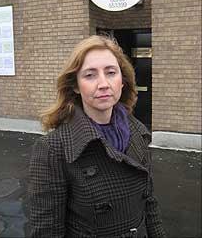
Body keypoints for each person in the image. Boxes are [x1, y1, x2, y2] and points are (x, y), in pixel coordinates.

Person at [28, 35, 166, 238]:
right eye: (90, 75)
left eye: (111, 73)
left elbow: (150, 204)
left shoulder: (139, 134)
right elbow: (47, 231)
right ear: (75, 85)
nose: (103, 84)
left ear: (122, 82)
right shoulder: (53, 149)